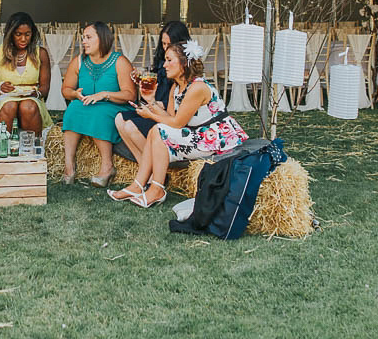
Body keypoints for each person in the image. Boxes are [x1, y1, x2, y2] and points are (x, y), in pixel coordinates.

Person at [109, 39, 248, 208]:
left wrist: (150, 115)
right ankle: (139, 186)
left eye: (169, 60)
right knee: (157, 131)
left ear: (184, 64)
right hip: (195, 134)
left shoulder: (197, 88)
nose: (164, 65)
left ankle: (155, 189)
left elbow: (176, 124)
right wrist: (151, 101)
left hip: (214, 138)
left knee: (158, 130)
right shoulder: (176, 88)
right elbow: (169, 117)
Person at [60, 22, 135, 187]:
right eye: (83, 38)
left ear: (102, 38)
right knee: (72, 109)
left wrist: (105, 95)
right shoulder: (79, 62)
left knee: (99, 113)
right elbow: (66, 89)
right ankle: (69, 167)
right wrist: (74, 94)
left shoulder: (119, 61)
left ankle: (107, 167)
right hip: (87, 104)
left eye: (88, 37)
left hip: (117, 106)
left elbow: (130, 95)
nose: (83, 42)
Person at [114, 20, 190, 161]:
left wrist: (159, 104)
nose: (166, 48)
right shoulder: (163, 60)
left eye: (169, 44)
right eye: (163, 44)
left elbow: (178, 104)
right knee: (119, 119)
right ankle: (145, 167)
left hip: (168, 113)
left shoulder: (183, 67)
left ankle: (155, 168)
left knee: (131, 126)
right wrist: (143, 75)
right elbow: (156, 80)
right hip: (155, 105)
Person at [0, 11, 52, 134]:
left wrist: (36, 93)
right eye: (18, 34)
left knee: (28, 106)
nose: (23, 39)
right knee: (9, 106)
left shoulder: (41, 53)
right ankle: (3, 146)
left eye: (27, 34)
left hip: (32, 98)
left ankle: (31, 147)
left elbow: (45, 88)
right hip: (3, 99)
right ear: (10, 34)